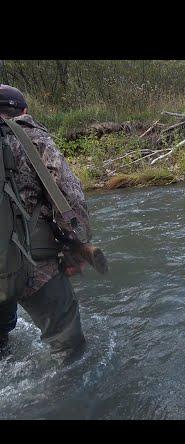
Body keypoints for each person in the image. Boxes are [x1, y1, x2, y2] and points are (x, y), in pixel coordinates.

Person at [0, 84, 92, 363]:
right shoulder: (33, 138)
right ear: (24, 111)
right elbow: (69, 198)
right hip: (35, 268)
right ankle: (68, 401)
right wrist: (77, 246)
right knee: (69, 349)